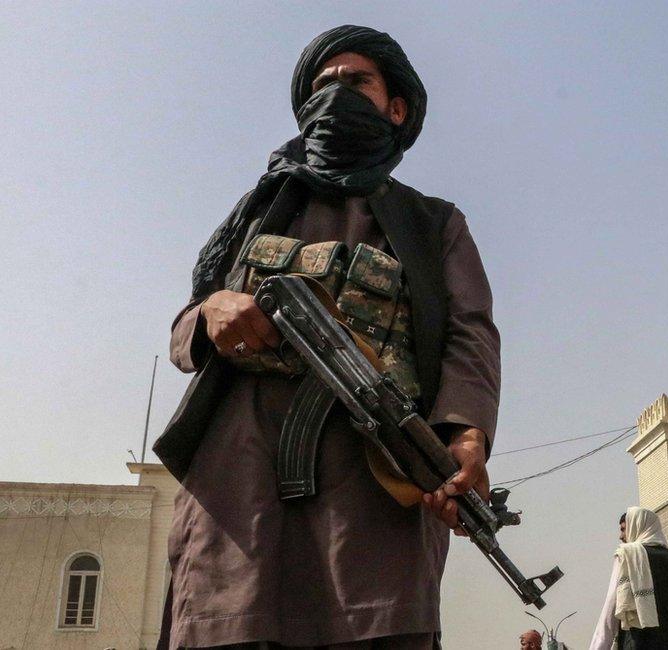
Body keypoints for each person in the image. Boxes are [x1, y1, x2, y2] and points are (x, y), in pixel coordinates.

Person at [153, 25, 501, 650]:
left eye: (356, 81)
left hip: (373, 496)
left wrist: (466, 433)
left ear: (396, 108)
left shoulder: (432, 224)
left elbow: (469, 335)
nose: (336, 92)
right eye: (323, 84)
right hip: (238, 494)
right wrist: (213, 310)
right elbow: (183, 327)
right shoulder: (259, 211)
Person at [588, 507, 668, 650]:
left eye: (624, 529)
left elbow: (611, 606)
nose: (621, 536)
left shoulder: (626, 557)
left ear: (637, 526)